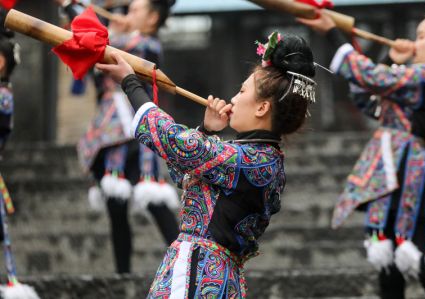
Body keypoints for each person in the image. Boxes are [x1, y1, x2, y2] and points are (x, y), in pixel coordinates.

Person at [96, 31, 317, 297]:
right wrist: (206, 130)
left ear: (261, 108)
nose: (233, 99)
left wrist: (131, 84)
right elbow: (183, 172)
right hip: (203, 272)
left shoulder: (254, 161)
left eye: (242, 90)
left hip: (199, 276)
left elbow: (174, 142)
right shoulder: (254, 156)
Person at [298, 1, 425, 298]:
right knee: (388, 268)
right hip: (389, 174)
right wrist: (389, 55)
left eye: (421, 37)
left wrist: (333, 33)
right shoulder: (413, 80)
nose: (415, 43)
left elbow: (373, 78)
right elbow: (370, 99)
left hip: (410, 178)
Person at [54, 0, 180, 274]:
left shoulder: (147, 46)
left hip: (136, 135)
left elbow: (103, 47)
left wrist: (77, 10)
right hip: (109, 135)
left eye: (135, 11)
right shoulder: (117, 41)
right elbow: (95, 58)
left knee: (156, 201)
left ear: (152, 19)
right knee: (115, 206)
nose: (126, 15)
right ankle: (122, 274)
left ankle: (187, 260)